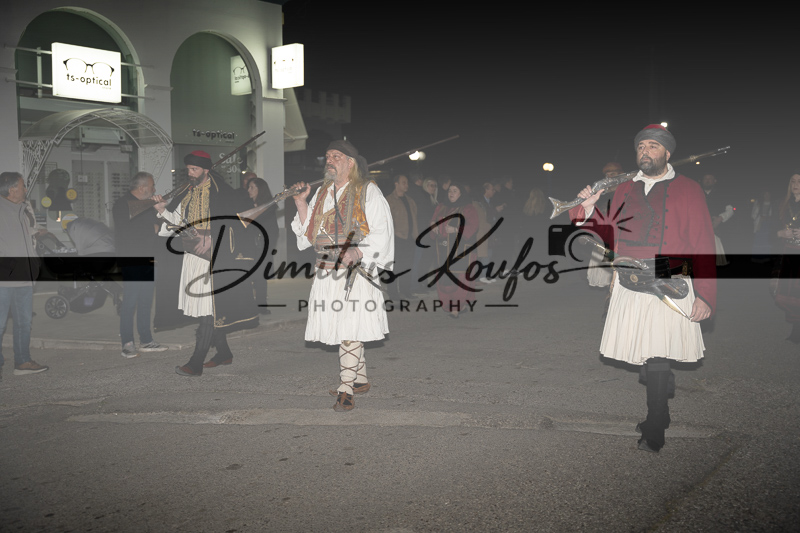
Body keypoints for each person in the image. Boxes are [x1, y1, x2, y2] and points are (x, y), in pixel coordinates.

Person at [570, 125, 716, 453]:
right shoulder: (624, 188)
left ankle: (656, 422)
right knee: (645, 350)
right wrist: (587, 206)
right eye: (640, 147)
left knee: (659, 352)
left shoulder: (689, 189)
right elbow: (603, 232)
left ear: (667, 153)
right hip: (631, 278)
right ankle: (659, 410)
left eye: (652, 146)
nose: (645, 152)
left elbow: (703, 242)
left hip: (670, 276)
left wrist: (706, 294)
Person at [290, 140, 394, 411]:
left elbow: (382, 229)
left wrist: (359, 252)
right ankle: (359, 379)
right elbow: (309, 233)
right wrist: (301, 202)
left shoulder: (367, 190)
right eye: (328, 156)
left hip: (356, 271)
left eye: (336, 156)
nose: (330, 160)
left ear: (351, 162)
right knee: (347, 324)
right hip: (326, 270)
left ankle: (346, 388)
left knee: (348, 326)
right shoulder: (322, 191)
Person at [154, 150, 258, 376]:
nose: (190, 173)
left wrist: (213, 237)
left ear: (206, 170)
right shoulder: (187, 192)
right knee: (206, 308)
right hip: (193, 256)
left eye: (194, 169)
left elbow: (237, 223)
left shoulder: (223, 192)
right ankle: (224, 353)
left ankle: (195, 363)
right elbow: (179, 222)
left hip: (216, 257)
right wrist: (163, 211)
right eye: (188, 169)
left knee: (210, 310)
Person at [112, 172, 168, 359]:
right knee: (130, 301)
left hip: (149, 258)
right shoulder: (122, 204)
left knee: (145, 301)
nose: (154, 189)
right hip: (132, 258)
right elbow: (126, 229)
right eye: (152, 186)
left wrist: (160, 210)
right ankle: (127, 343)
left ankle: (146, 340)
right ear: (142, 187)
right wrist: (152, 228)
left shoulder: (147, 205)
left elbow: (159, 226)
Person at [0, 172, 48, 379]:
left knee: (23, 323)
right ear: (12, 190)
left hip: (24, 279)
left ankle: (22, 361)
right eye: (22, 186)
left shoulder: (21, 210)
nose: (26, 190)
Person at [430, 182, 479, 318]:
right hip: (442, 249)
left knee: (460, 277)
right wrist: (433, 226)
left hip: (461, 250)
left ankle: (456, 307)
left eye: (455, 190)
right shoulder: (441, 207)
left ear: (461, 193)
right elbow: (433, 221)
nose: (451, 193)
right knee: (444, 278)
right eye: (450, 190)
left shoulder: (468, 208)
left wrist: (457, 229)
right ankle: (453, 305)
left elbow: (473, 226)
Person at [773, 172, 800, 343]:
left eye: (799, 181)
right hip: (788, 252)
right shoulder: (783, 204)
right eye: (793, 181)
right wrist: (780, 233)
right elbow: (771, 229)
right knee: (788, 293)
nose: (796, 184)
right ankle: (796, 329)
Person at [246, 177, 279, 312]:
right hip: (248, 247)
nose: (249, 190)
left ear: (260, 189)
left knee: (260, 277)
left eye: (252, 187)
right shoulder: (246, 205)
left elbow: (273, 230)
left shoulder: (268, 207)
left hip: (261, 247)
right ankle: (249, 304)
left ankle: (261, 305)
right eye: (249, 187)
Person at [385, 174, 418, 299]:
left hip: (409, 238)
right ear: (396, 184)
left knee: (407, 265)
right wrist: (395, 232)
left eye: (407, 182)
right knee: (394, 267)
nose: (406, 185)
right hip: (396, 239)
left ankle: (405, 290)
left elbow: (414, 218)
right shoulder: (389, 200)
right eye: (403, 182)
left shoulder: (410, 200)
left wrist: (415, 234)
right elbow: (385, 220)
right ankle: (393, 293)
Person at [701, 174, 734, 267]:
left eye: (710, 178)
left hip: (717, 231)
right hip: (700, 231)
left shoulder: (721, 194)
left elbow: (730, 210)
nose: (707, 180)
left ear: (715, 181)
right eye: (705, 178)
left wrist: (720, 218)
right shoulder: (697, 193)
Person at [473, 182, 498, 284]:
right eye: (492, 189)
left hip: (489, 231)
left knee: (488, 252)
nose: (494, 191)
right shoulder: (479, 203)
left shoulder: (488, 202)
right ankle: (482, 276)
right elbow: (482, 218)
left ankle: (485, 274)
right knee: (484, 254)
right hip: (483, 231)